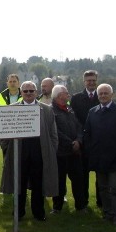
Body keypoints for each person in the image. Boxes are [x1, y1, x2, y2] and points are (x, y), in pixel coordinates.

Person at [0, 81, 58, 222]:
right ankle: (18, 213)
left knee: (38, 184)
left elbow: (53, 134)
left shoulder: (47, 110)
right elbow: (4, 134)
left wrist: (51, 151)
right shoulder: (11, 109)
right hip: (19, 153)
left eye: (31, 91)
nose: (28, 94)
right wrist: (7, 149)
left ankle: (38, 213)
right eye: (25, 91)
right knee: (19, 184)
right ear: (21, 93)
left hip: (39, 153)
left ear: (36, 92)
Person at [82, 83, 116, 225]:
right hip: (98, 157)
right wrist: (91, 149)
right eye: (101, 94)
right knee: (103, 188)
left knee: (115, 188)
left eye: (106, 93)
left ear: (112, 94)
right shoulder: (92, 112)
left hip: (115, 157)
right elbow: (87, 133)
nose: (103, 96)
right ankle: (107, 213)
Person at [50, 85, 85, 213]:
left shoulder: (70, 109)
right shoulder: (51, 111)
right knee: (59, 181)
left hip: (74, 152)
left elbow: (79, 126)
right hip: (60, 152)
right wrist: (71, 143)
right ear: (59, 95)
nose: (68, 95)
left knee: (78, 180)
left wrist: (79, 140)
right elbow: (55, 131)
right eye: (66, 93)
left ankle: (80, 206)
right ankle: (57, 207)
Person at [70, 69, 101, 209]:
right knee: (82, 175)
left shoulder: (102, 95)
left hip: (99, 141)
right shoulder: (76, 98)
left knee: (101, 174)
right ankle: (83, 203)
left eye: (93, 80)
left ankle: (101, 202)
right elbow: (74, 119)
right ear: (84, 82)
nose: (91, 83)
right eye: (89, 80)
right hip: (82, 141)